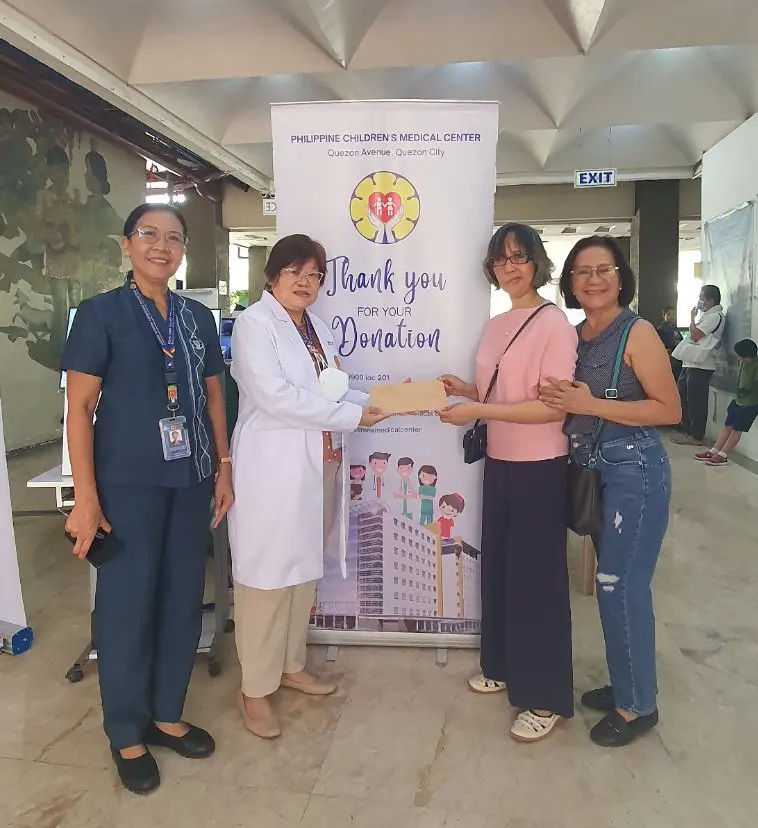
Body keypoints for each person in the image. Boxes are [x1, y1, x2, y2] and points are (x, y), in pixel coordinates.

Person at [62, 204, 234, 794]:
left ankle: (165, 713)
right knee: (127, 604)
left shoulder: (196, 317)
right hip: (127, 485)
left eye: (173, 238)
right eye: (148, 235)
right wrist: (86, 497)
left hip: (191, 480)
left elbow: (214, 397)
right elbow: (79, 408)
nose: (162, 246)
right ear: (126, 245)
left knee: (182, 599)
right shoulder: (100, 314)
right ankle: (126, 731)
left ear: (183, 250)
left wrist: (223, 466)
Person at [228, 234, 387, 740]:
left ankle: (290, 665)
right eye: (295, 271)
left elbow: (329, 391)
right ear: (272, 275)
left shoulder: (316, 327)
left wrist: (380, 402)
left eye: (314, 274)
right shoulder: (255, 325)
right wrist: (354, 416)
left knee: (302, 571)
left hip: (321, 465)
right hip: (273, 468)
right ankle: (255, 689)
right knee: (266, 578)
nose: (305, 282)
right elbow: (275, 397)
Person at [437, 223, 578, 743]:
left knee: (537, 579)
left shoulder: (554, 324)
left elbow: (551, 407)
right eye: (501, 260)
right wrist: (466, 390)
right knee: (498, 566)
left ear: (537, 262)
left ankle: (545, 696)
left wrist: (477, 410)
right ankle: (501, 664)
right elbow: (499, 392)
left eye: (519, 257)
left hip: (540, 465)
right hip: (499, 461)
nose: (509, 267)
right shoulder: (497, 323)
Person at [540, 235, 681, 747]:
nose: (594, 279)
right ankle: (627, 683)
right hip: (592, 470)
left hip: (633, 472)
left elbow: (669, 409)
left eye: (604, 269)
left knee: (621, 585)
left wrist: (591, 404)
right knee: (610, 584)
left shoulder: (637, 333)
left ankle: (638, 706)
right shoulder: (574, 334)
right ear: (569, 283)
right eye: (582, 271)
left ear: (621, 277)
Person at [671, 285, 724, 446]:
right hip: (690, 362)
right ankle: (687, 431)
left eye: (702, 298)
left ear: (711, 300)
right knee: (684, 397)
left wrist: (691, 318)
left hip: (702, 365)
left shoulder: (715, 316)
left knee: (696, 401)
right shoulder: (706, 316)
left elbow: (695, 335)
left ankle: (696, 435)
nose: (699, 301)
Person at [695, 339, 758, 466]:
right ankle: (714, 451)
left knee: (736, 430)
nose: (739, 359)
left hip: (749, 403)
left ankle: (723, 455)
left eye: (741, 356)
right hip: (737, 400)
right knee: (728, 426)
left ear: (748, 355)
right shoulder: (745, 363)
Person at [656, 306, 683, 380]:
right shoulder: (662, 328)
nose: (672, 316)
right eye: (668, 314)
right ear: (664, 316)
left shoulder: (674, 327)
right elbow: (669, 343)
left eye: (673, 314)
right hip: (670, 357)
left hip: (677, 355)